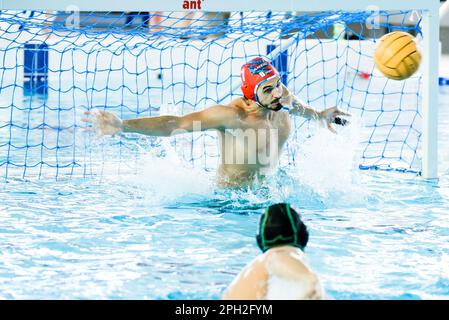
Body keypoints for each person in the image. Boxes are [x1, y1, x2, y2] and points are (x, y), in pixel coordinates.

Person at [83, 57, 351, 187]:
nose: (277, 93)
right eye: (268, 90)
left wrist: (319, 115)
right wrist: (123, 125)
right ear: (250, 93)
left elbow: (298, 107)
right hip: (228, 202)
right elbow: (173, 124)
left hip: (268, 191)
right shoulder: (232, 117)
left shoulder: (283, 101)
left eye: (278, 84)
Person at [222, 203, 325, 300]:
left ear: (260, 240)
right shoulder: (281, 254)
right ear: (304, 235)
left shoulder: (255, 267)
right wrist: (310, 280)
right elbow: (276, 260)